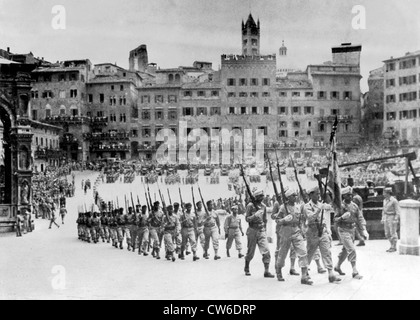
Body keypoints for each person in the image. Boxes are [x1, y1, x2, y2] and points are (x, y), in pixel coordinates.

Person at [303, 186, 341, 284]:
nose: (318, 196)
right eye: (316, 194)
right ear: (311, 195)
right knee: (310, 253)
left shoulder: (322, 204)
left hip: (322, 231)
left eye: (319, 194)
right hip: (312, 233)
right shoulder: (307, 206)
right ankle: (304, 273)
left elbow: (331, 205)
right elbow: (310, 218)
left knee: (326, 252)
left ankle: (331, 274)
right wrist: (319, 209)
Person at [275, 189, 312, 285]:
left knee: (303, 252)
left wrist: (302, 231)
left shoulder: (298, 207)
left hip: (296, 231)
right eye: (293, 195)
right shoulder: (283, 208)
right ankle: (278, 270)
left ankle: (304, 276)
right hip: (285, 231)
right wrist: (283, 219)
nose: (295, 197)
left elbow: (300, 221)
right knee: (282, 253)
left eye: (296, 195)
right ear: (288, 197)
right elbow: (277, 220)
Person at [334, 187, 369, 280]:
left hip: (352, 230)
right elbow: (335, 219)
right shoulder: (340, 206)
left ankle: (337, 266)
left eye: (351, 194)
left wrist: (364, 229)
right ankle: (354, 271)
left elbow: (360, 217)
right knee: (352, 249)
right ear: (343, 196)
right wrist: (342, 217)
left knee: (345, 250)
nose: (350, 196)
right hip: (343, 229)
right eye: (348, 195)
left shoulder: (354, 206)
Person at [244, 189, 275, 278]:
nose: (262, 198)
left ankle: (266, 271)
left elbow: (265, 219)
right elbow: (247, 219)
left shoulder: (263, 206)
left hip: (261, 230)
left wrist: (264, 230)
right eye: (260, 196)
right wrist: (255, 215)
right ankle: (247, 266)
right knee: (250, 252)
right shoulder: (250, 206)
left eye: (262, 196)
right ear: (256, 197)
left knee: (266, 251)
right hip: (252, 230)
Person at [382, 188, 400, 253]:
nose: (383, 194)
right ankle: (391, 245)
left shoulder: (394, 201)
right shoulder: (385, 200)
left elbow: (398, 211)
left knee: (393, 232)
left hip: (392, 216)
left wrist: (396, 219)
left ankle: (394, 246)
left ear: (388, 193)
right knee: (387, 233)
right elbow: (383, 210)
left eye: (384, 193)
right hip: (386, 216)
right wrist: (382, 218)